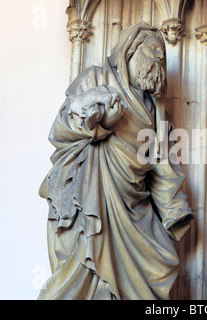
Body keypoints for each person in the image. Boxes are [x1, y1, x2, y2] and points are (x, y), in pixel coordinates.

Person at [38, 22, 193, 300]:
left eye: (163, 54)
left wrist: (174, 208)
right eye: (153, 49)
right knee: (89, 263)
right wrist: (100, 123)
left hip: (133, 203)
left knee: (163, 262)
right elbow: (61, 128)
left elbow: (161, 163)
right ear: (131, 51)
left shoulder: (157, 110)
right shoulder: (96, 80)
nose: (159, 57)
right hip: (92, 195)